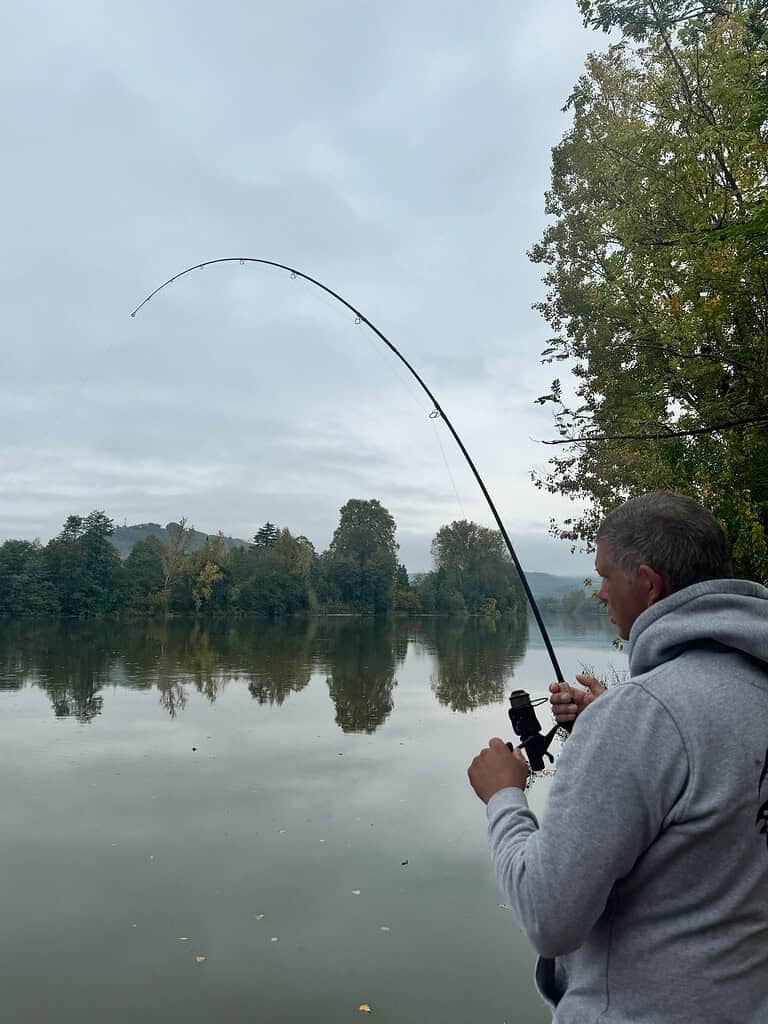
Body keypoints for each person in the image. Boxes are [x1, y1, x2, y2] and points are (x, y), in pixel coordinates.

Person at [468, 491, 768, 1023]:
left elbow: (549, 916)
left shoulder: (644, 718)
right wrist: (610, 726)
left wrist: (504, 796)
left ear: (649, 585)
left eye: (606, 575)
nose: (600, 593)